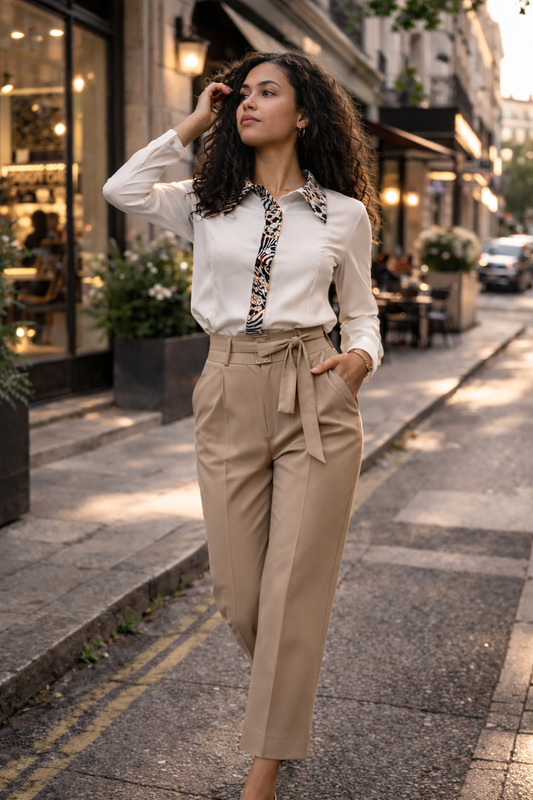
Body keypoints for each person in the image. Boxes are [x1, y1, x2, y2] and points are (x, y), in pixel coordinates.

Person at [103, 50, 383, 800]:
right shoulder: (204, 199)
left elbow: (360, 315)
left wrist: (357, 363)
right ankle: (284, 705)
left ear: (305, 113)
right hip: (225, 384)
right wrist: (190, 124)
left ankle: (262, 768)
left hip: (315, 390)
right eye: (242, 94)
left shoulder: (344, 215)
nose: (247, 103)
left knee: (294, 584)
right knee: (237, 590)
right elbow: (119, 188)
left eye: (268, 92)